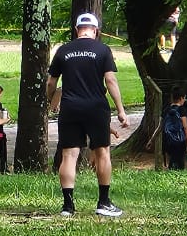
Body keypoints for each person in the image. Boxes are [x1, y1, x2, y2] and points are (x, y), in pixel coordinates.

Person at [47, 12, 130, 217]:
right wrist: (120, 110)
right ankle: (103, 202)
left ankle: (67, 206)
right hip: (96, 107)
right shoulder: (103, 50)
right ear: (95, 30)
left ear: (77, 30)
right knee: (102, 153)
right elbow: (110, 81)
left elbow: (51, 82)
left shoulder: (63, 50)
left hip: (70, 108)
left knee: (69, 155)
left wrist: (51, 101)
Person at [159, 88, 187, 171]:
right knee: (180, 162)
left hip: (168, 140)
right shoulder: (182, 110)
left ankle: (171, 172)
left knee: (172, 159)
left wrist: (151, 140)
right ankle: (178, 177)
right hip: (180, 141)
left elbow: (160, 127)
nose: (184, 100)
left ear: (171, 98)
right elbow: (185, 127)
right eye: (184, 98)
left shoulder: (166, 110)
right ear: (181, 98)